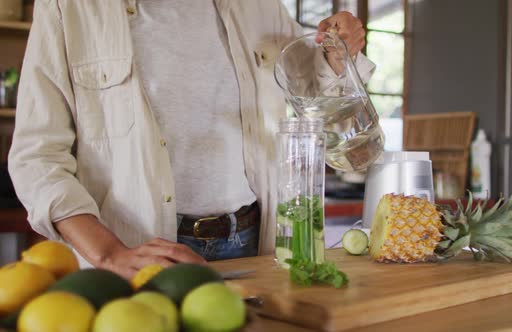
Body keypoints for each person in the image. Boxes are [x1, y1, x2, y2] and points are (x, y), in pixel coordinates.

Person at [8, 0, 374, 279]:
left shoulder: (259, 6)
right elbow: (37, 157)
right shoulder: (70, 8)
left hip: (252, 246)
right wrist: (109, 254)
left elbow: (319, 97)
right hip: (133, 250)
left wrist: (338, 51)